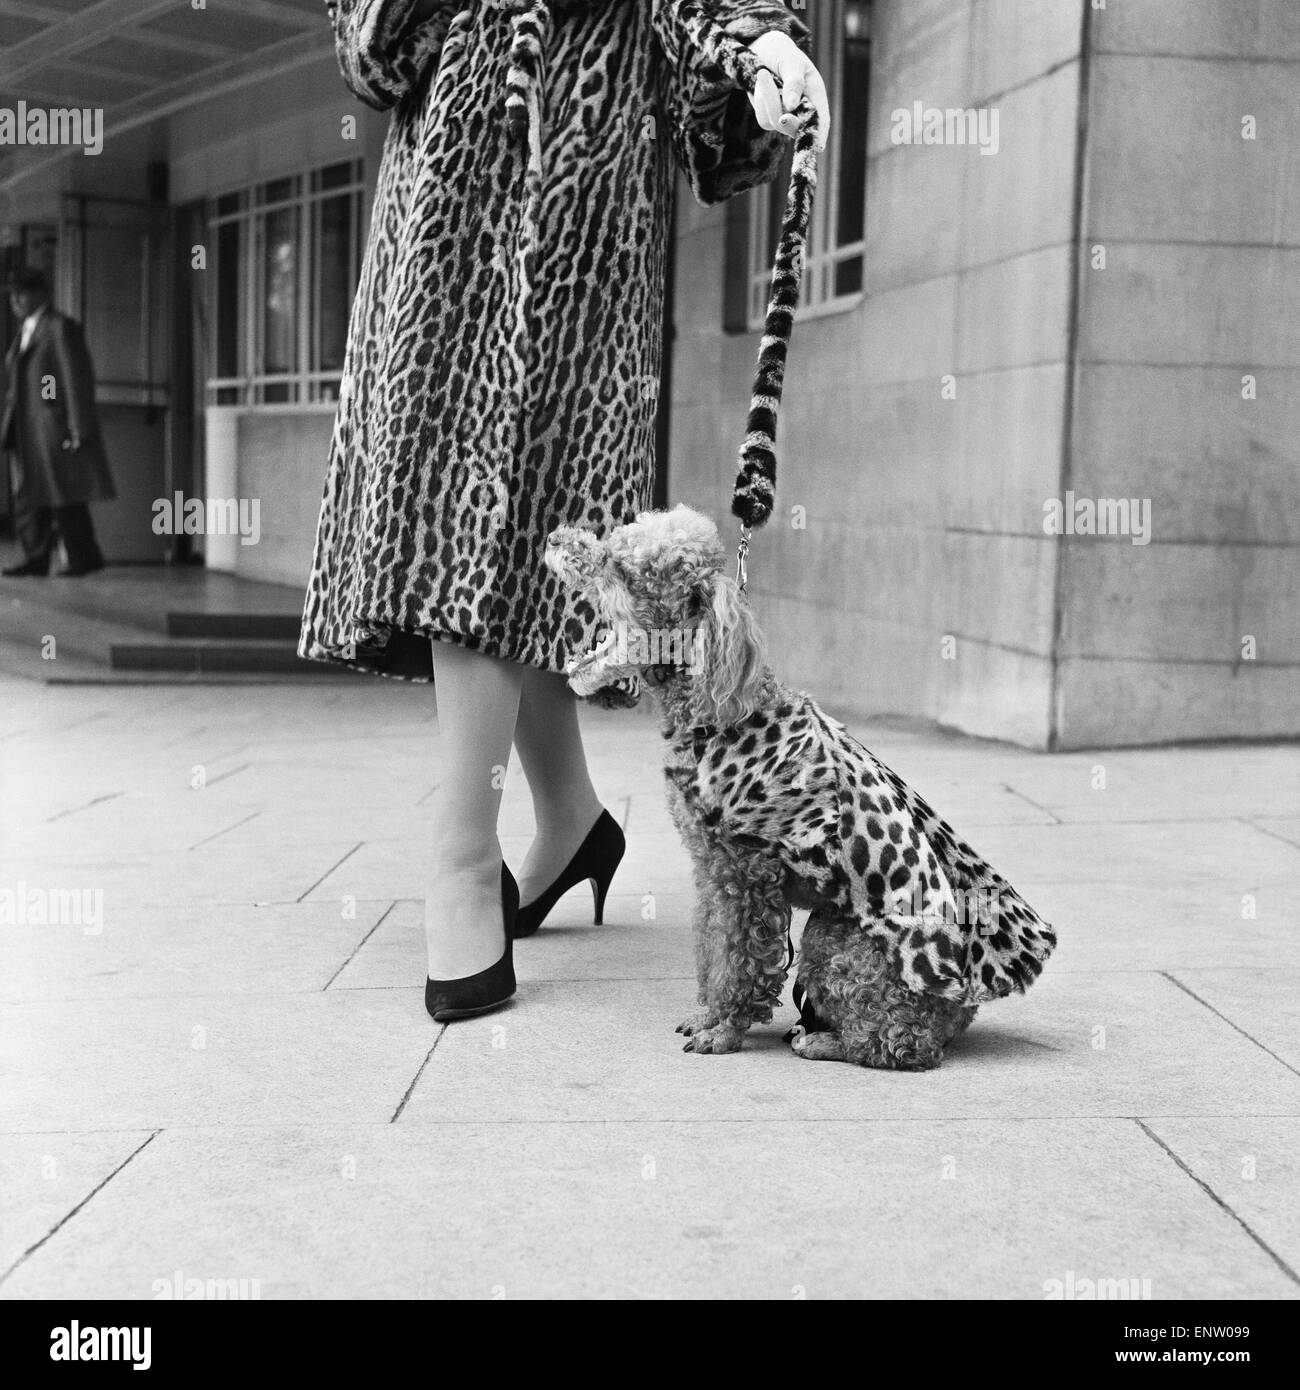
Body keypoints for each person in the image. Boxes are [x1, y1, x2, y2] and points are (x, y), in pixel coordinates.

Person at [300, 0, 830, 1020]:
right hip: (446, 214)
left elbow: (710, 37)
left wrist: (758, 49)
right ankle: (568, 818)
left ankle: (462, 857)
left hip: (593, 212)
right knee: (463, 513)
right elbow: (369, 51)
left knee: (525, 527)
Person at [1, 266, 114, 578]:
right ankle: (37, 556)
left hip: (50, 423)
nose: (16, 301)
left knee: (61, 491)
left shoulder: (58, 328)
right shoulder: (26, 331)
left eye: (21, 293)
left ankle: (83, 555)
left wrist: (77, 424)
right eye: (13, 294)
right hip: (25, 425)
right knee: (28, 493)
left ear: (40, 293)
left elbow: (72, 377)